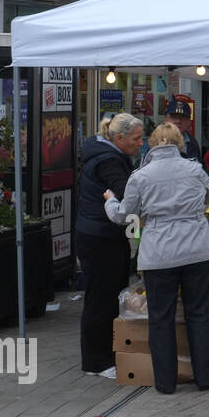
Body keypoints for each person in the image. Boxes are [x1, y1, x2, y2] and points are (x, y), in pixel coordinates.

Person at [104, 124, 209, 394]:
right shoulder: (194, 169)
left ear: (152, 144)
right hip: (198, 249)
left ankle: (166, 382)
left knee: (160, 319)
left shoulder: (140, 176)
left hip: (159, 255)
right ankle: (206, 378)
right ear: (179, 144)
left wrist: (110, 201)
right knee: (199, 314)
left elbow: (124, 215)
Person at [75, 112, 142, 379]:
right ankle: (97, 362)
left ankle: (102, 355)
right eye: (136, 139)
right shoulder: (108, 161)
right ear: (119, 138)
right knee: (101, 299)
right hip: (100, 237)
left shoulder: (107, 155)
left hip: (100, 234)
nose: (140, 143)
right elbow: (129, 192)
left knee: (103, 296)